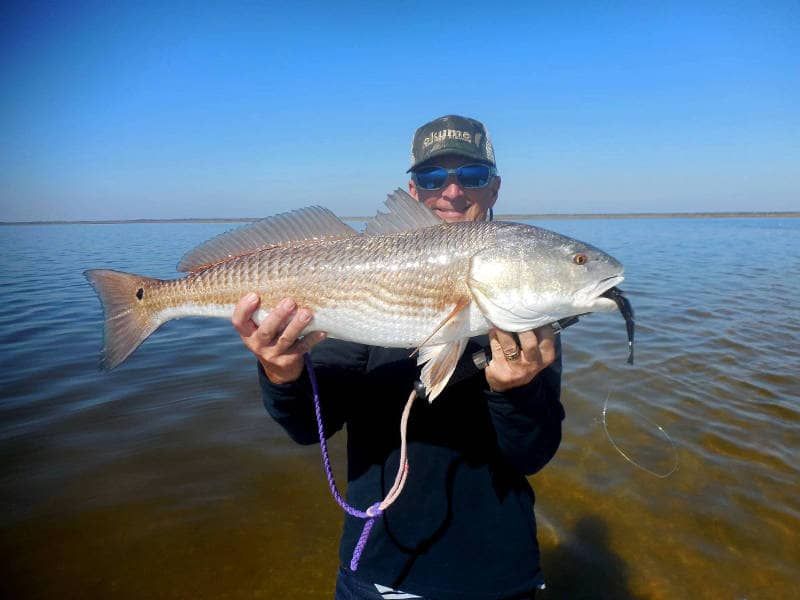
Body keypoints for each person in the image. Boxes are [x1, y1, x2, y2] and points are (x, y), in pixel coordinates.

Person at [231, 115, 563, 599]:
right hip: (379, 573)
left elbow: (533, 454)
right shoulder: (363, 277)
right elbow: (309, 429)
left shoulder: (527, 306)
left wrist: (516, 391)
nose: (452, 192)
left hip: (499, 573)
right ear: (413, 191)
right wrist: (280, 373)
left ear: (493, 188)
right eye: (433, 178)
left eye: (471, 176)